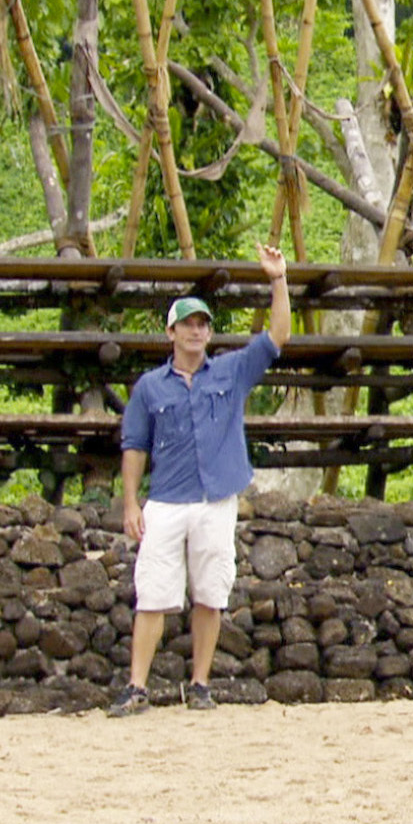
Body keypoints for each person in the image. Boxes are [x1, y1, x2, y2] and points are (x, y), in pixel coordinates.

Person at [109, 244, 291, 716]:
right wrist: (131, 503)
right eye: (188, 323)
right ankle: (137, 686)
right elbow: (134, 446)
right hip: (167, 500)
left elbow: (277, 336)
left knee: (211, 590)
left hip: (215, 499)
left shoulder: (231, 370)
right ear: (171, 331)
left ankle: (201, 683)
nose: (196, 330)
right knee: (152, 592)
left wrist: (278, 280)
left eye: (203, 324)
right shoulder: (150, 386)